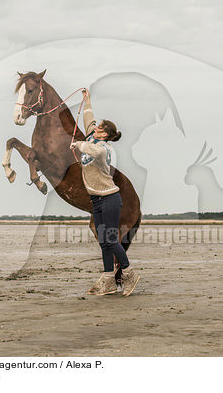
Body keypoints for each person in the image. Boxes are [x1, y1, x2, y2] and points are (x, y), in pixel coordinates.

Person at [70, 89, 141, 296]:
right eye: (98, 127)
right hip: (97, 200)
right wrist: (87, 100)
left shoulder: (103, 149)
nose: (96, 129)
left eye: (100, 129)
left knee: (110, 239)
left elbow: (93, 151)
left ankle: (129, 273)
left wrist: (79, 144)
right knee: (103, 241)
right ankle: (109, 280)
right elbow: (89, 119)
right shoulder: (93, 135)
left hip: (110, 199)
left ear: (106, 135)